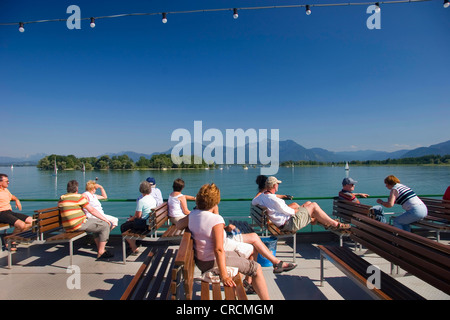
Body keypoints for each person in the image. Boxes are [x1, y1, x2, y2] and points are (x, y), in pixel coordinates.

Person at [188, 183, 270, 300]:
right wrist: (224, 276)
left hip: (201, 260)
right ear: (216, 201)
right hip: (212, 261)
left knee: (249, 252)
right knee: (256, 268)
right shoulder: (216, 220)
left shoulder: (193, 214)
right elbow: (219, 249)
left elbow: (180, 224)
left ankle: (238, 290)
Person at [252, 176, 351, 232]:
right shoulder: (275, 200)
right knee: (313, 205)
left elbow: (253, 201)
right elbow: (290, 212)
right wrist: (298, 210)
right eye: (278, 184)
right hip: (289, 224)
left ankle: (326, 223)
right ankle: (335, 224)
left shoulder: (261, 196)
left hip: (283, 222)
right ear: (274, 185)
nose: (278, 185)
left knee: (308, 203)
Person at [58, 180, 113, 260]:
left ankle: (100, 248)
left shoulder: (62, 198)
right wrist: (106, 219)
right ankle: (101, 251)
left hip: (66, 226)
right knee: (105, 225)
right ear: (77, 189)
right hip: (78, 224)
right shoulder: (79, 197)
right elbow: (92, 210)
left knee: (98, 225)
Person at [120, 181, 157, 254]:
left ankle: (134, 248)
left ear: (141, 190)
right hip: (151, 224)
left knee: (123, 227)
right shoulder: (153, 199)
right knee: (129, 225)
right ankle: (133, 245)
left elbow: (138, 216)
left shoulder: (141, 201)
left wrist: (130, 219)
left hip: (144, 226)